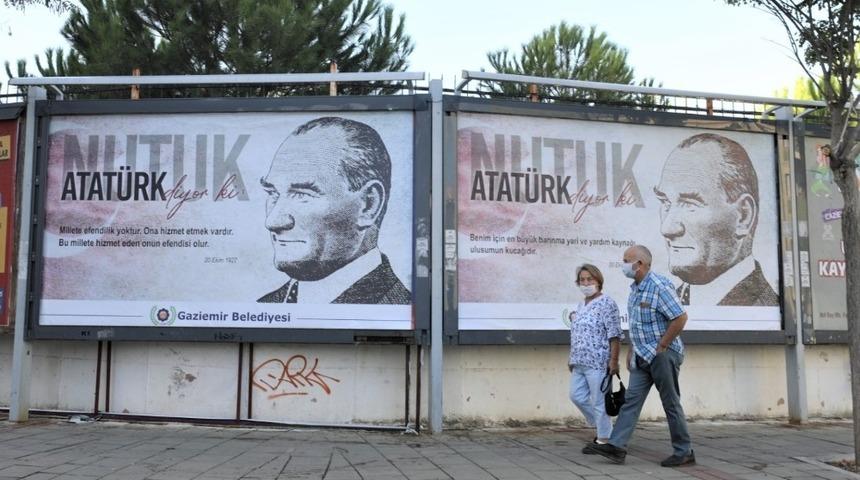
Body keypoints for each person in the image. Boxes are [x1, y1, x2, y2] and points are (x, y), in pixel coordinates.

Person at [257, 116, 410, 305]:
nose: (272, 221)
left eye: (302, 194)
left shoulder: (396, 311)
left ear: (369, 205)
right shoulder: (265, 307)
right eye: (273, 193)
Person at [587, 245, 694, 468]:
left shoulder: (658, 286)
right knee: (630, 402)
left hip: (663, 356)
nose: (623, 264)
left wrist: (662, 346)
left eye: (627, 260)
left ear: (640, 264)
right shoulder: (635, 289)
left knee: (671, 404)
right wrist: (632, 351)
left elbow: (680, 318)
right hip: (641, 357)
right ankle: (617, 447)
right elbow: (637, 326)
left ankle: (684, 452)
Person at [653, 133, 778, 306]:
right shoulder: (670, 303)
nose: (667, 228)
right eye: (666, 202)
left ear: (743, 216)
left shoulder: (764, 308)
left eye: (690, 204)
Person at [567, 264, 622, 452]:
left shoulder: (607, 303)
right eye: (582, 280)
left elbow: (614, 335)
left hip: (598, 362)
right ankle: (602, 427)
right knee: (577, 396)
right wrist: (571, 358)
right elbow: (577, 333)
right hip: (579, 361)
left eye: (589, 279)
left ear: (598, 281)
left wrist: (613, 361)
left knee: (599, 402)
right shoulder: (581, 304)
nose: (586, 283)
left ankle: (604, 439)